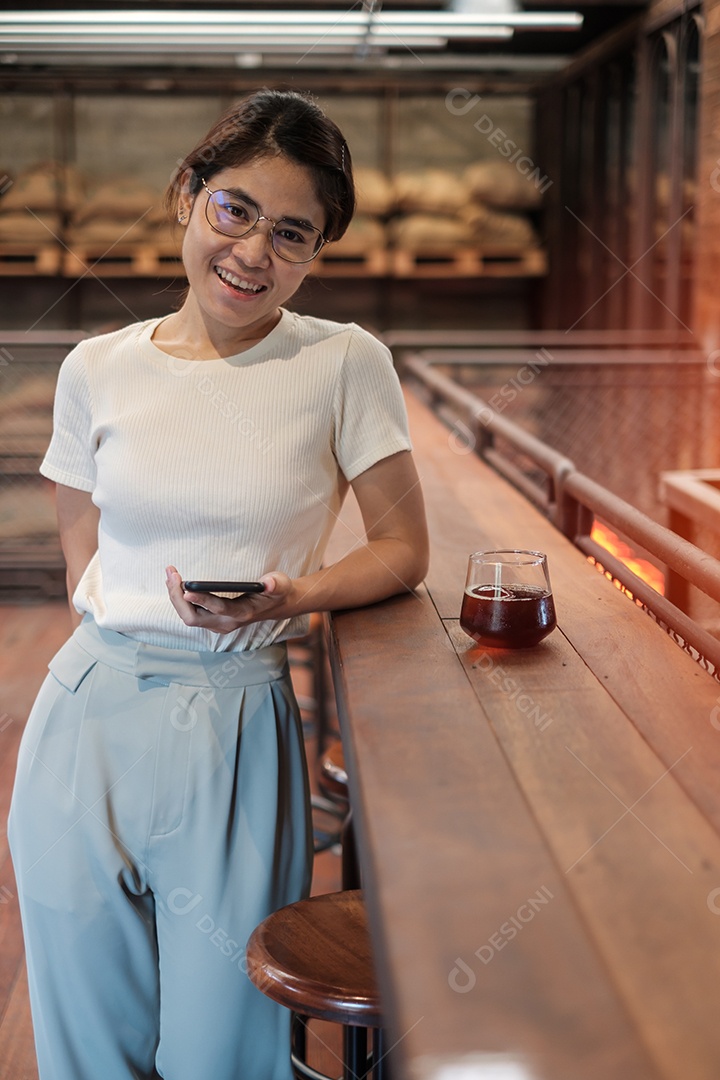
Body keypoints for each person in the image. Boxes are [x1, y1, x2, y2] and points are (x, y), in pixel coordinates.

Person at [8, 88, 428, 1080]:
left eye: (292, 233)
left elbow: (403, 548)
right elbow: (83, 554)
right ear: (187, 195)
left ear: (318, 251)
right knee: (86, 1049)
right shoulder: (94, 368)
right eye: (234, 210)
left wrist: (292, 598)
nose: (251, 252)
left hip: (237, 721)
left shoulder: (344, 363)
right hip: (86, 720)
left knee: (223, 1053)